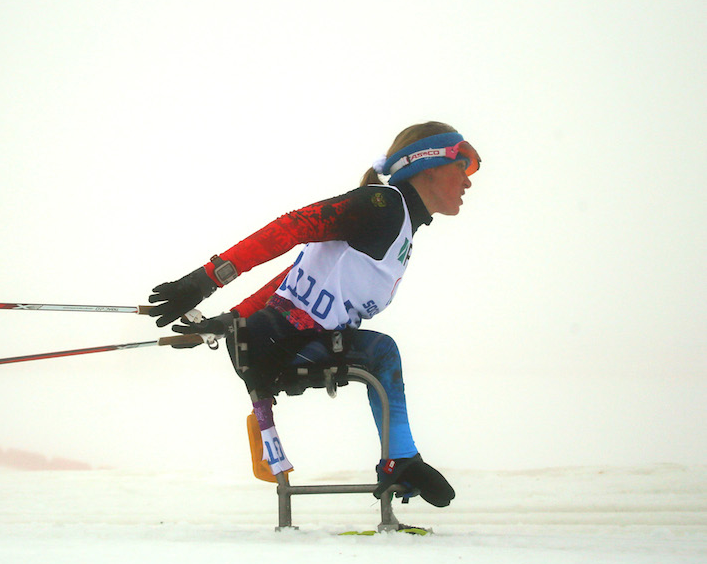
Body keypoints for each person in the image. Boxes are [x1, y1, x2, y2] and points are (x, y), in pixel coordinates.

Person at [148, 121, 481, 508]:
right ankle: (401, 462)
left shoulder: (401, 226)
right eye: (464, 164)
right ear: (428, 165)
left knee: (382, 353)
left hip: (276, 337)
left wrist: (229, 318)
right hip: (281, 342)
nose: (469, 180)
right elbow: (292, 227)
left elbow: (298, 277)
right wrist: (205, 280)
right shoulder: (384, 206)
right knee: (382, 352)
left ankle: (400, 461)